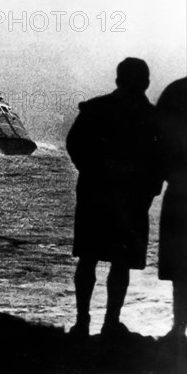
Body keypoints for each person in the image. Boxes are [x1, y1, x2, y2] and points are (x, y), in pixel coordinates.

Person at [66, 58, 162, 338]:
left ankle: (82, 322)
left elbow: (75, 145)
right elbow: (160, 159)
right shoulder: (153, 118)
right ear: (145, 82)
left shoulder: (95, 108)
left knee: (88, 258)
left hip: (95, 194)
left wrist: (93, 171)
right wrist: (150, 189)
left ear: (118, 79)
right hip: (132, 199)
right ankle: (111, 323)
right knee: (121, 263)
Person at [155, 77, 187, 342]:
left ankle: (179, 328)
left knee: (180, 270)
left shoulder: (175, 91)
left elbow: (155, 141)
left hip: (179, 190)